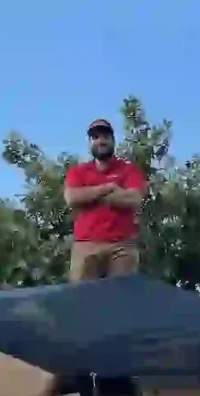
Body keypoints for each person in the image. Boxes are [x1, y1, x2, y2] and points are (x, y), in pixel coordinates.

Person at [64, 118, 147, 282]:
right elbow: (72, 197)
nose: (100, 141)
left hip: (121, 246)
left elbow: (134, 199)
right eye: (95, 137)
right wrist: (108, 188)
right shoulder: (78, 171)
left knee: (122, 301)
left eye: (105, 137)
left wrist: (90, 194)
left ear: (113, 141)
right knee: (82, 300)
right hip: (85, 246)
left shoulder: (129, 169)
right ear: (89, 143)